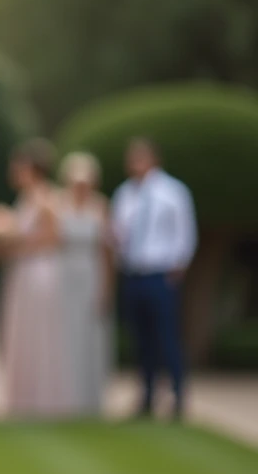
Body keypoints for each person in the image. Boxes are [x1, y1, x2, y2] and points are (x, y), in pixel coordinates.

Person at [111, 137, 197, 420]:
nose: (134, 164)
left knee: (167, 336)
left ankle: (178, 396)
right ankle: (146, 396)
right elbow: (118, 233)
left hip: (161, 274)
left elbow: (185, 232)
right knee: (141, 338)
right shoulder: (124, 194)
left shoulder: (173, 192)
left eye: (140, 158)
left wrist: (178, 264)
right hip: (133, 273)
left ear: (153, 159)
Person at [0, 138, 73, 418]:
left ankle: (43, 398)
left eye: (19, 166)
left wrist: (19, 243)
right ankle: (23, 398)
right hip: (23, 271)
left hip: (40, 272)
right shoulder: (26, 197)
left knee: (40, 333)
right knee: (23, 332)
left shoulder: (46, 197)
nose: (15, 171)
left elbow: (56, 238)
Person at [57, 152, 115, 416]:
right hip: (64, 274)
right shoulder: (59, 204)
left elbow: (106, 252)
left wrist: (106, 287)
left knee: (90, 334)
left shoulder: (101, 206)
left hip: (90, 273)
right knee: (64, 334)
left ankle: (89, 398)